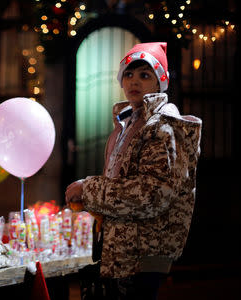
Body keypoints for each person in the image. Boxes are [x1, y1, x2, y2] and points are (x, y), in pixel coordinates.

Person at [65, 42, 202, 299]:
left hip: (142, 255)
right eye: (128, 74)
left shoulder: (161, 127)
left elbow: (152, 194)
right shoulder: (130, 123)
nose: (134, 81)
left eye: (144, 75)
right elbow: (122, 180)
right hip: (123, 252)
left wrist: (89, 188)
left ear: (159, 82)